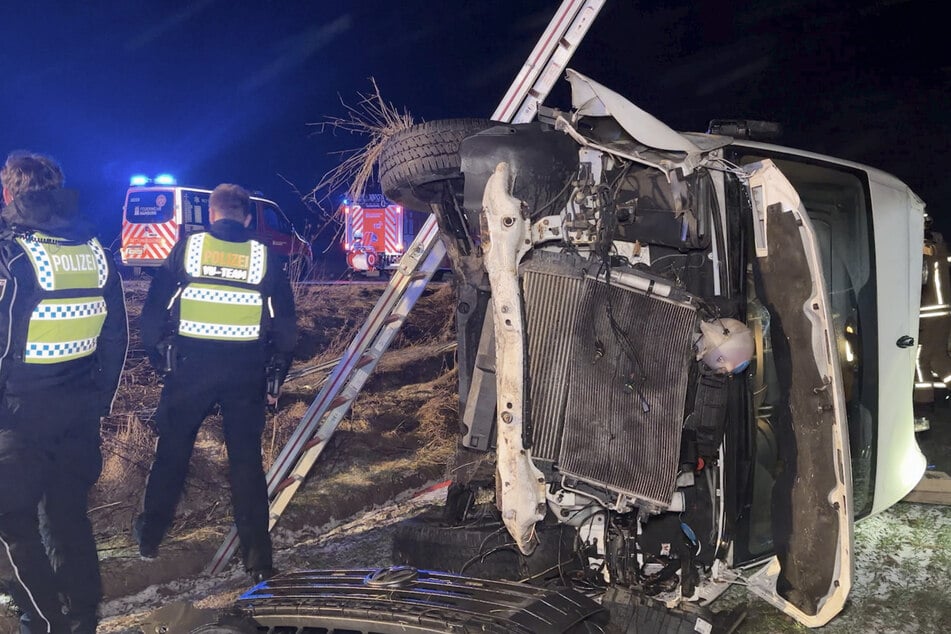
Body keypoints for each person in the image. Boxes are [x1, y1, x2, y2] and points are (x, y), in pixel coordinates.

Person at [134, 183, 296, 582]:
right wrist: (278, 372)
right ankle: (258, 559)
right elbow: (286, 325)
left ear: (211, 214)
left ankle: (149, 538)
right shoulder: (264, 256)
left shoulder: (188, 249)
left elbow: (152, 313)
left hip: (190, 369)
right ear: (246, 217)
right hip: (245, 371)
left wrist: (160, 356)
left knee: (172, 453)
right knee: (245, 464)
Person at [0, 151, 128, 633]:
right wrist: (99, 402)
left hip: (19, 414)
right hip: (78, 409)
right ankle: (83, 618)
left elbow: (5, 340)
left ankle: (46, 622)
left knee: (13, 524)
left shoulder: (11, 251)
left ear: (10, 193)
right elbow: (117, 336)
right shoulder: (95, 248)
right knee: (68, 515)